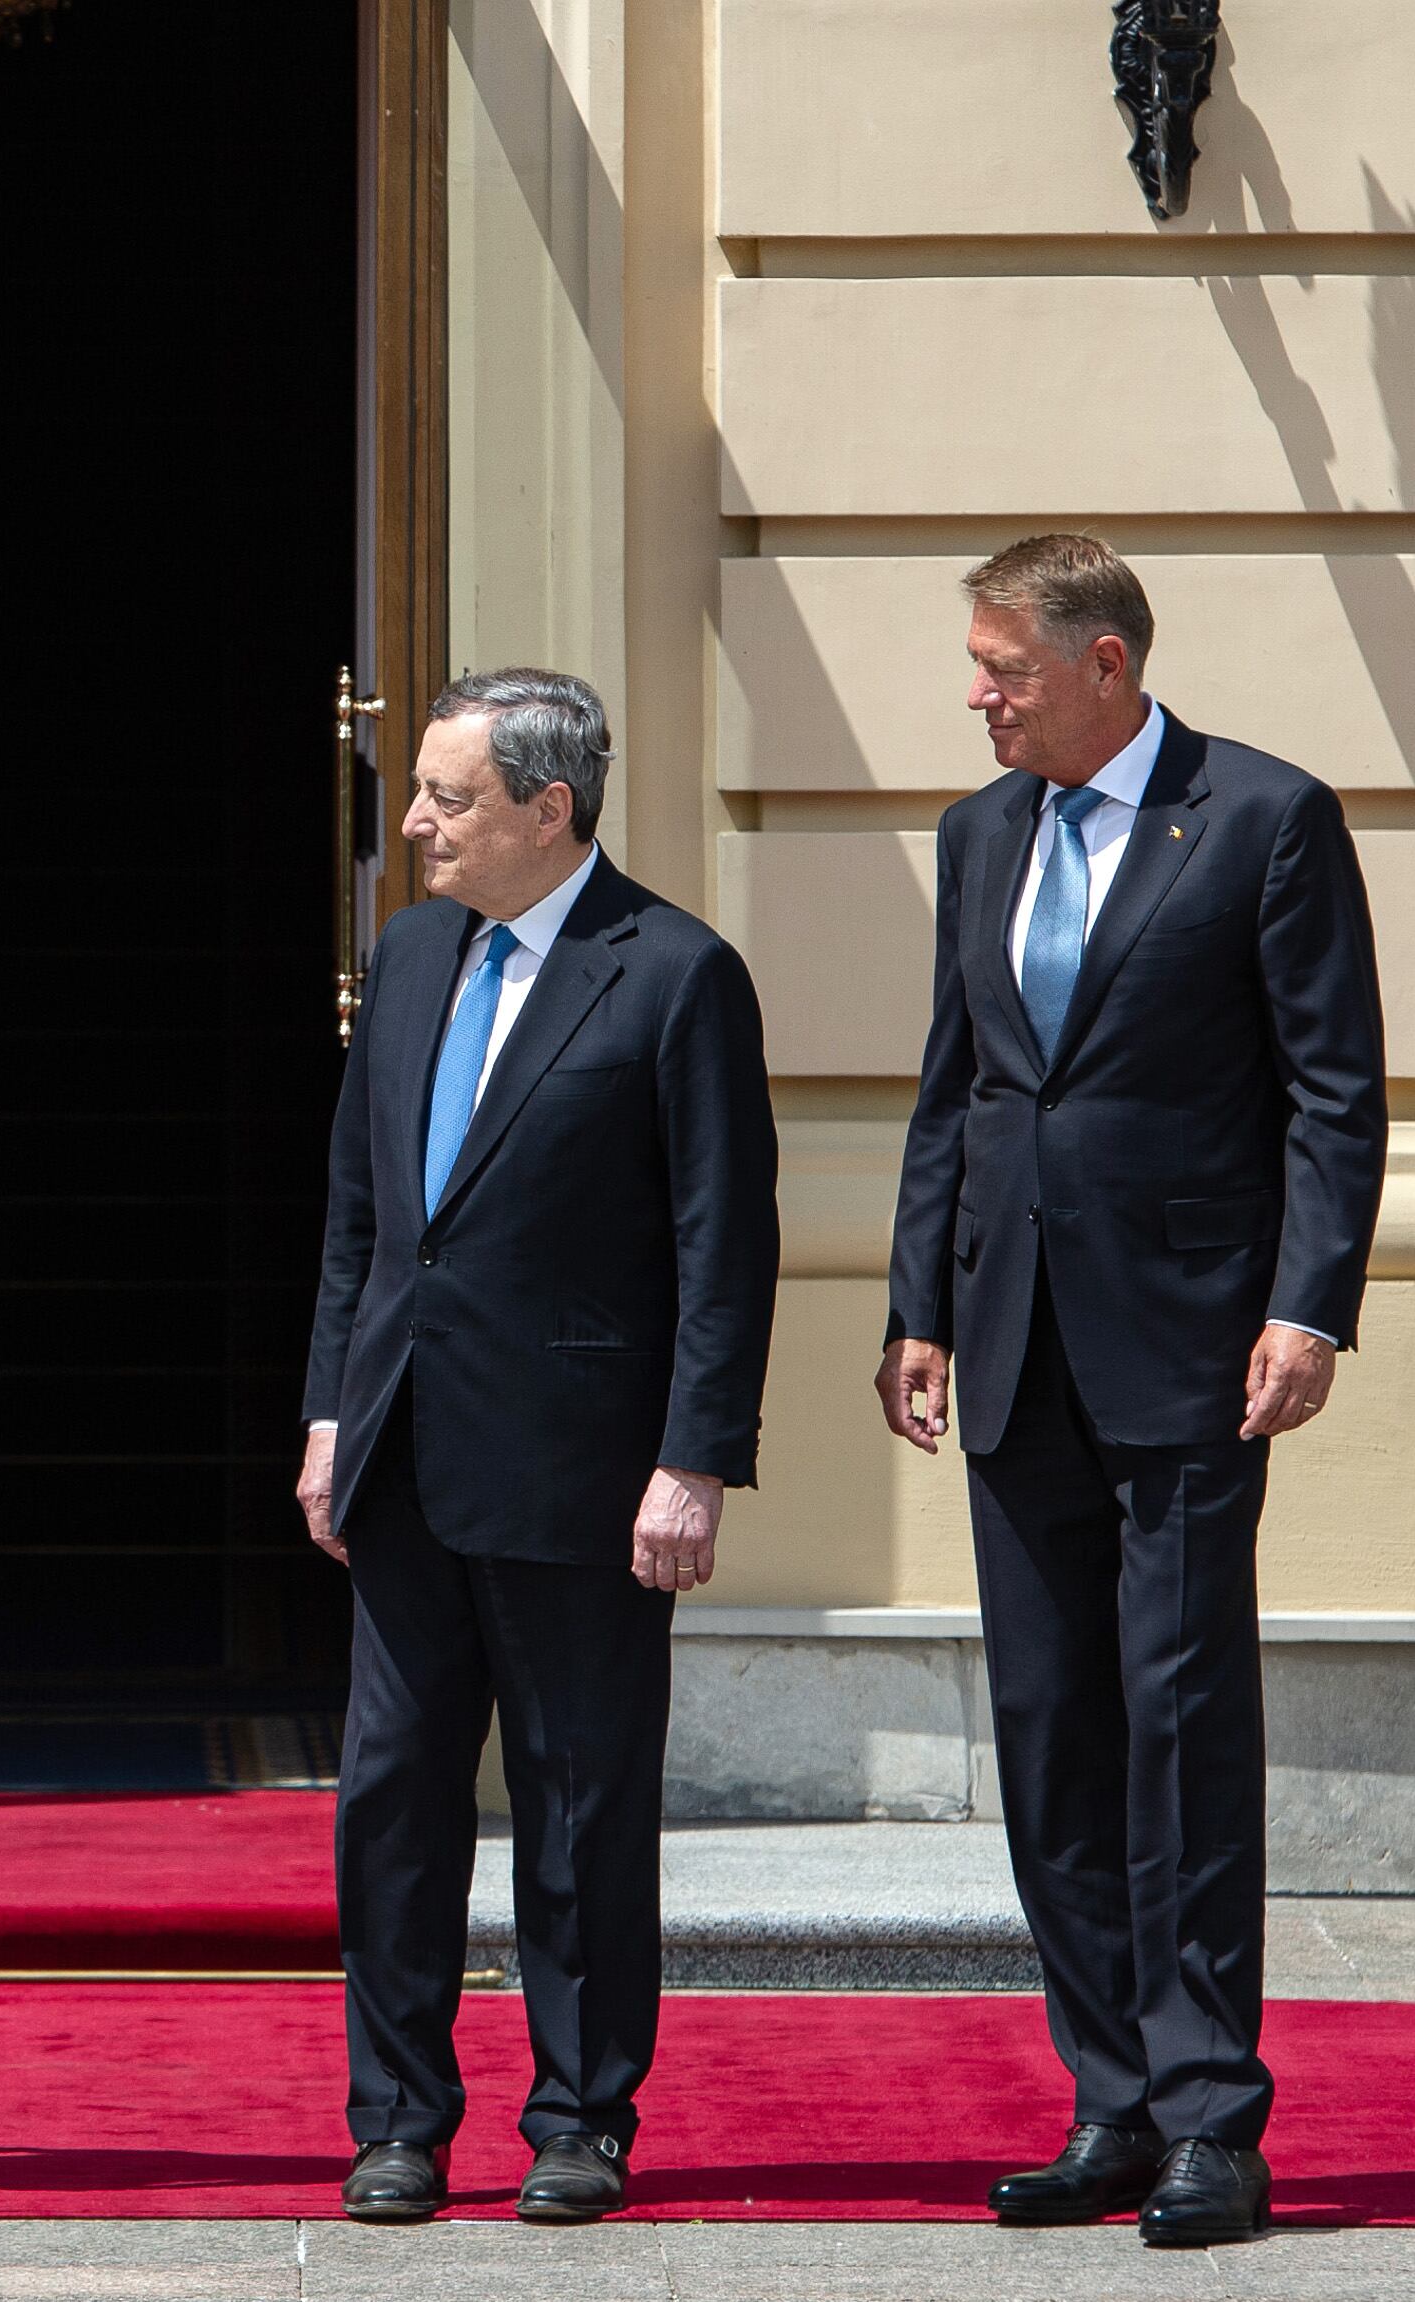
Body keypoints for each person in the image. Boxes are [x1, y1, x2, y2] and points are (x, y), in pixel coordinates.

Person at [880, 537, 1386, 2250]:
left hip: (1186, 1351)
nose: (977, 696)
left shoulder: (1261, 817)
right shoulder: (975, 835)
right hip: (1009, 1339)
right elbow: (955, 1091)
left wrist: (1307, 1305)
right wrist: (915, 1306)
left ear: (1101, 664)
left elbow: (1331, 1091)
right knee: (1049, 1735)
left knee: (1176, 1730)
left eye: (1000, 668)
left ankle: (1208, 2118)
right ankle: (1103, 2095)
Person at [299, 669, 777, 2227]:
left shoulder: (673, 973)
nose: (416, 820)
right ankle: (397, 2119)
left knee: (577, 1805)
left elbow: (724, 1244)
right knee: (390, 1799)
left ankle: (578, 2115)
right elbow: (361, 1226)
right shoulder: (413, 948)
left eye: (445, 794)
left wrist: (693, 1455)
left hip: (585, 1471)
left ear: (545, 807)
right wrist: (325, 1413)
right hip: (402, 1456)